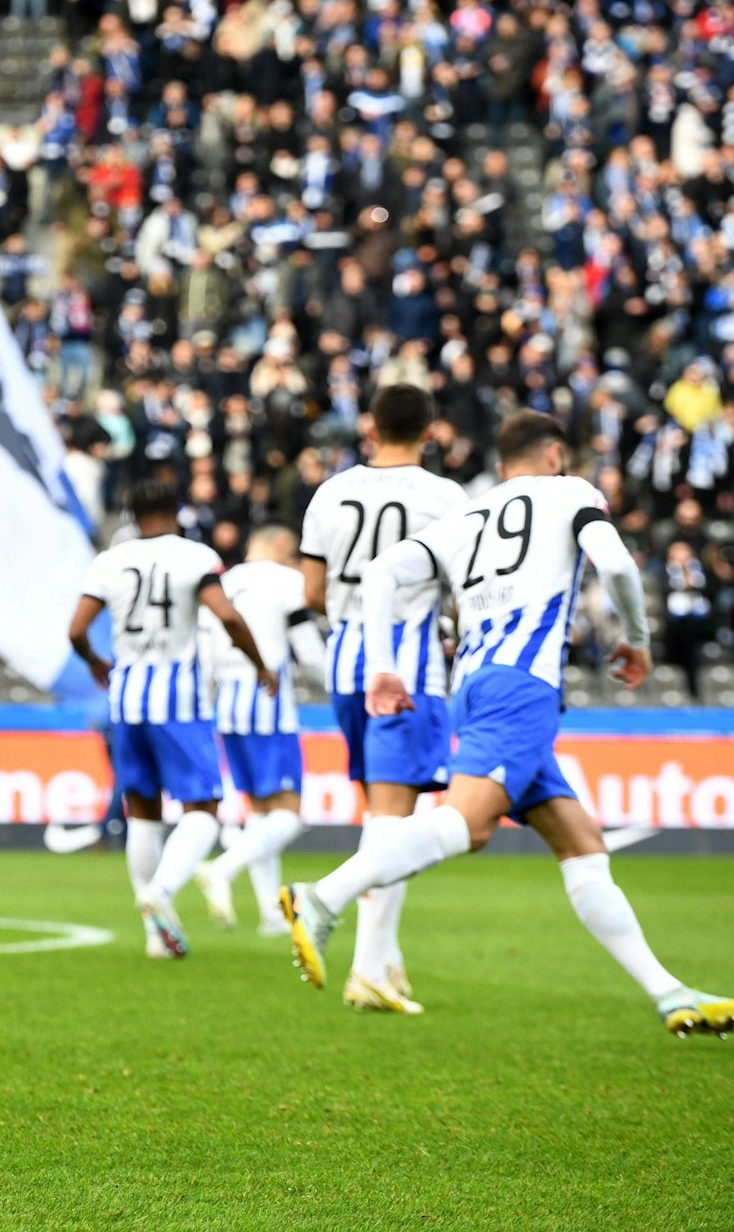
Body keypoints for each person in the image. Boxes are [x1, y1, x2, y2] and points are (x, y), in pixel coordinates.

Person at [283, 412, 734, 1039]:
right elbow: (613, 562)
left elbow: (380, 574)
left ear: (502, 465)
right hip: (522, 686)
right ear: (556, 452)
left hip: (471, 685)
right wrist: (638, 638)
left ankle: (670, 994)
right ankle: (322, 897)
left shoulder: (466, 515)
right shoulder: (571, 493)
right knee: (467, 825)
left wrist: (384, 667)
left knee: (583, 845)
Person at [297, 384, 467, 1014]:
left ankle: (386, 957)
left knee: (384, 813)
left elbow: (312, 589)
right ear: (431, 430)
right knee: (396, 820)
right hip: (406, 668)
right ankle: (366, 969)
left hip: (345, 661)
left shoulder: (331, 491)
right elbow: (460, 586)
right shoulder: (446, 497)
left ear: (369, 427)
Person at [67, 479, 276, 961]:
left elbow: (76, 629)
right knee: (202, 811)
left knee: (144, 815)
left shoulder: (108, 562)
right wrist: (259, 663)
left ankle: (155, 939)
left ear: (132, 516)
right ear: (177, 511)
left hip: (126, 702)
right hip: (178, 701)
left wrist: (96, 662)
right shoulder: (193, 556)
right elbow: (227, 615)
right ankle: (160, 891)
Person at [192, 526, 326, 938]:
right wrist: (335, 686)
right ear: (283, 548)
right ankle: (222, 868)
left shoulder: (223, 584)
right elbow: (309, 651)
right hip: (269, 709)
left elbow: (205, 656)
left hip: (228, 711)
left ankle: (272, 915)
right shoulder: (287, 582)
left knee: (263, 816)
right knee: (288, 816)